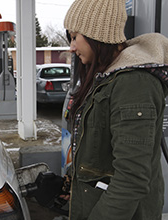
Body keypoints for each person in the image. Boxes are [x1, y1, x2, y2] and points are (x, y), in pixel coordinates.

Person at [62, 0, 168, 219]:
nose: (71, 47)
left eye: (74, 37)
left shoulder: (133, 84)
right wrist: (70, 182)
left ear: (96, 34)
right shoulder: (106, 78)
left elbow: (131, 179)